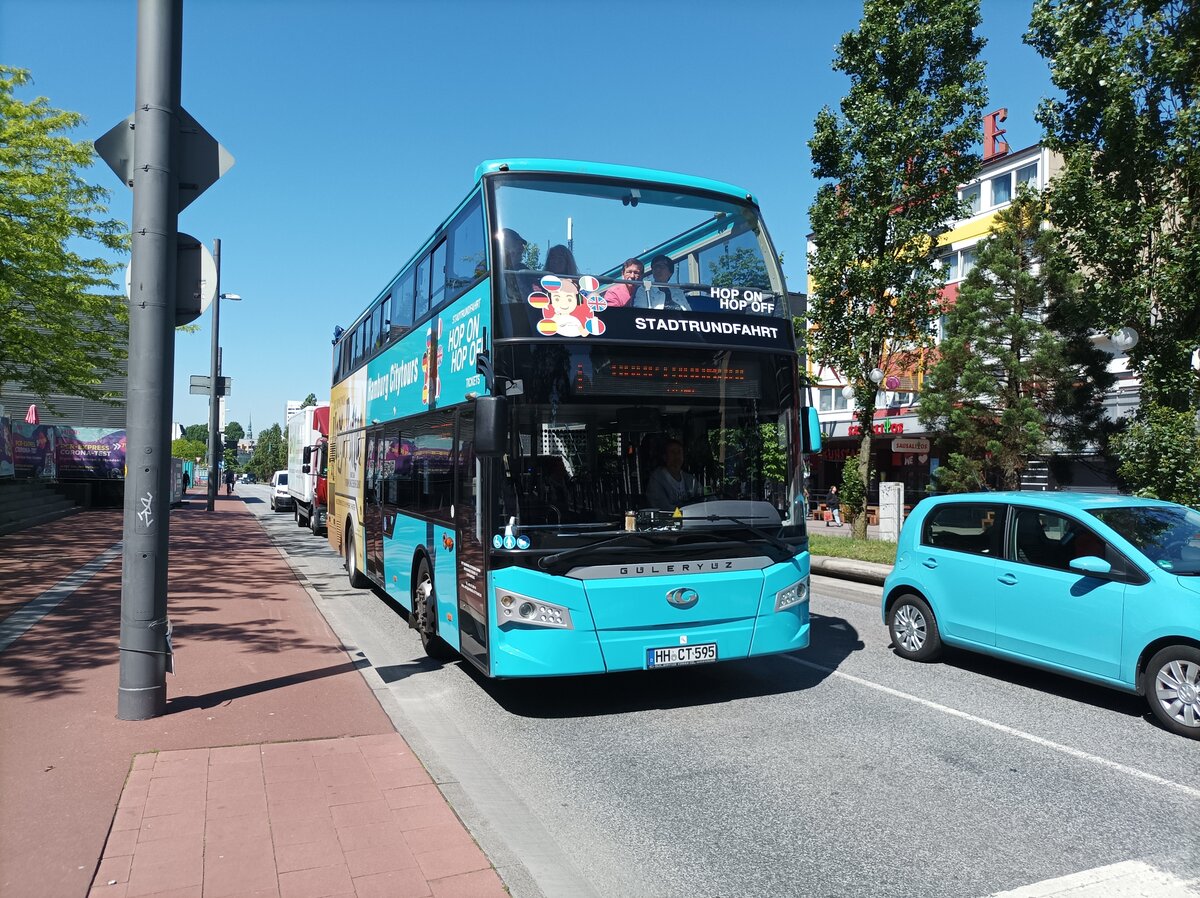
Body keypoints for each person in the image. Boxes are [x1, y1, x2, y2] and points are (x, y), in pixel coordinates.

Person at [645, 438, 698, 510]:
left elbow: (702, 498)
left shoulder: (690, 479)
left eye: (679, 452)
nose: (677, 456)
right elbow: (662, 508)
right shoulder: (656, 479)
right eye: (672, 452)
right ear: (664, 457)